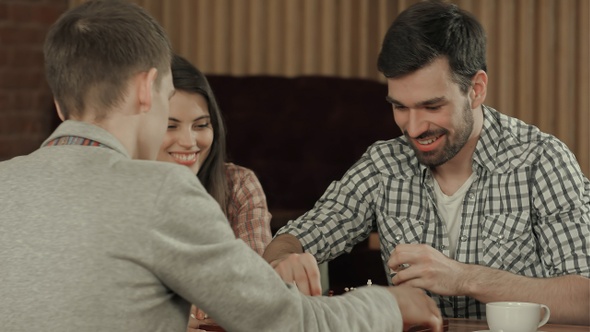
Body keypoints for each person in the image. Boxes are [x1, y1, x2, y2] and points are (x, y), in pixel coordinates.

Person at [0, 1, 444, 331]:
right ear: (146, 88)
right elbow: (282, 321)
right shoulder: (160, 190)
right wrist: (390, 305)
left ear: (61, 105)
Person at [263, 0, 590, 326]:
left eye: (432, 106)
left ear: (476, 90)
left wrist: (463, 278)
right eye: (400, 107)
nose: (414, 128)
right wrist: (285, 260)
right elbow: (293, 238)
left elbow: (584, 298)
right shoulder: (384, 165)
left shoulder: (542, 160)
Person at [157, 54, 272, 330]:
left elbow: (254, 293)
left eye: (201, 125)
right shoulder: (122, 189)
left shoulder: (239, 185)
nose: (189, 142)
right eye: (170, 126)